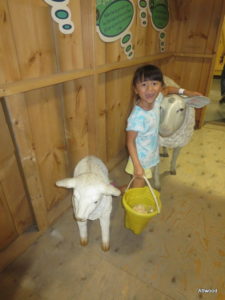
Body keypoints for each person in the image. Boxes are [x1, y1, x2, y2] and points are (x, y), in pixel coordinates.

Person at [125, 64, 202, 188]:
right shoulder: (137, 117)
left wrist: (187, 92)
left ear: (161, 85)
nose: (150, 89)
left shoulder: (156, 101)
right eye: (144, 85)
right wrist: (137, 166)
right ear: (135, 89)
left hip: (150, 155)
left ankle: (124, 189)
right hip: (139, 161)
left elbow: (169, 90)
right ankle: (132, 200)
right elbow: (130, 142)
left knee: (140, 184)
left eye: (154, 83)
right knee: (138, 188)